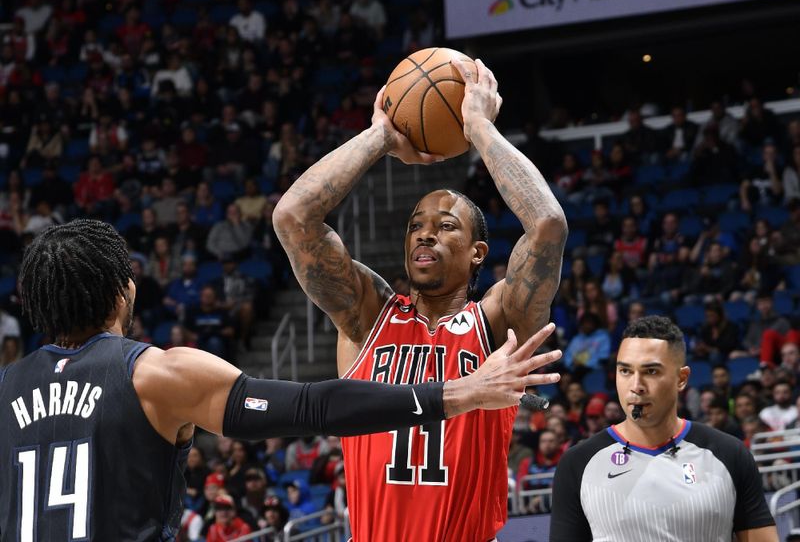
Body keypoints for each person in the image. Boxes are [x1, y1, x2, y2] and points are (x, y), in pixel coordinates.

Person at [0, 219, 561, 540]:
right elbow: (315, 407)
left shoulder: (4, 392)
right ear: (124, 290)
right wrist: (453, 393)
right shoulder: (154, 373)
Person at [275, 58, 567, 541]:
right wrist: (381, 135)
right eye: (416, 226)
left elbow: (548, 224)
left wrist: (477, 128)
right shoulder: (367, 315)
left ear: (478, 253)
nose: (425, 235)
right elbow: (292, 217)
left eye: (445, 226)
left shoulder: (497, 324)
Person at [550, 316, 777, 542]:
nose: (636, 386)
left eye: (651, 371)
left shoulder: (729, 454)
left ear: (681, 378)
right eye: (626, 371)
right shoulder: (577, 463)